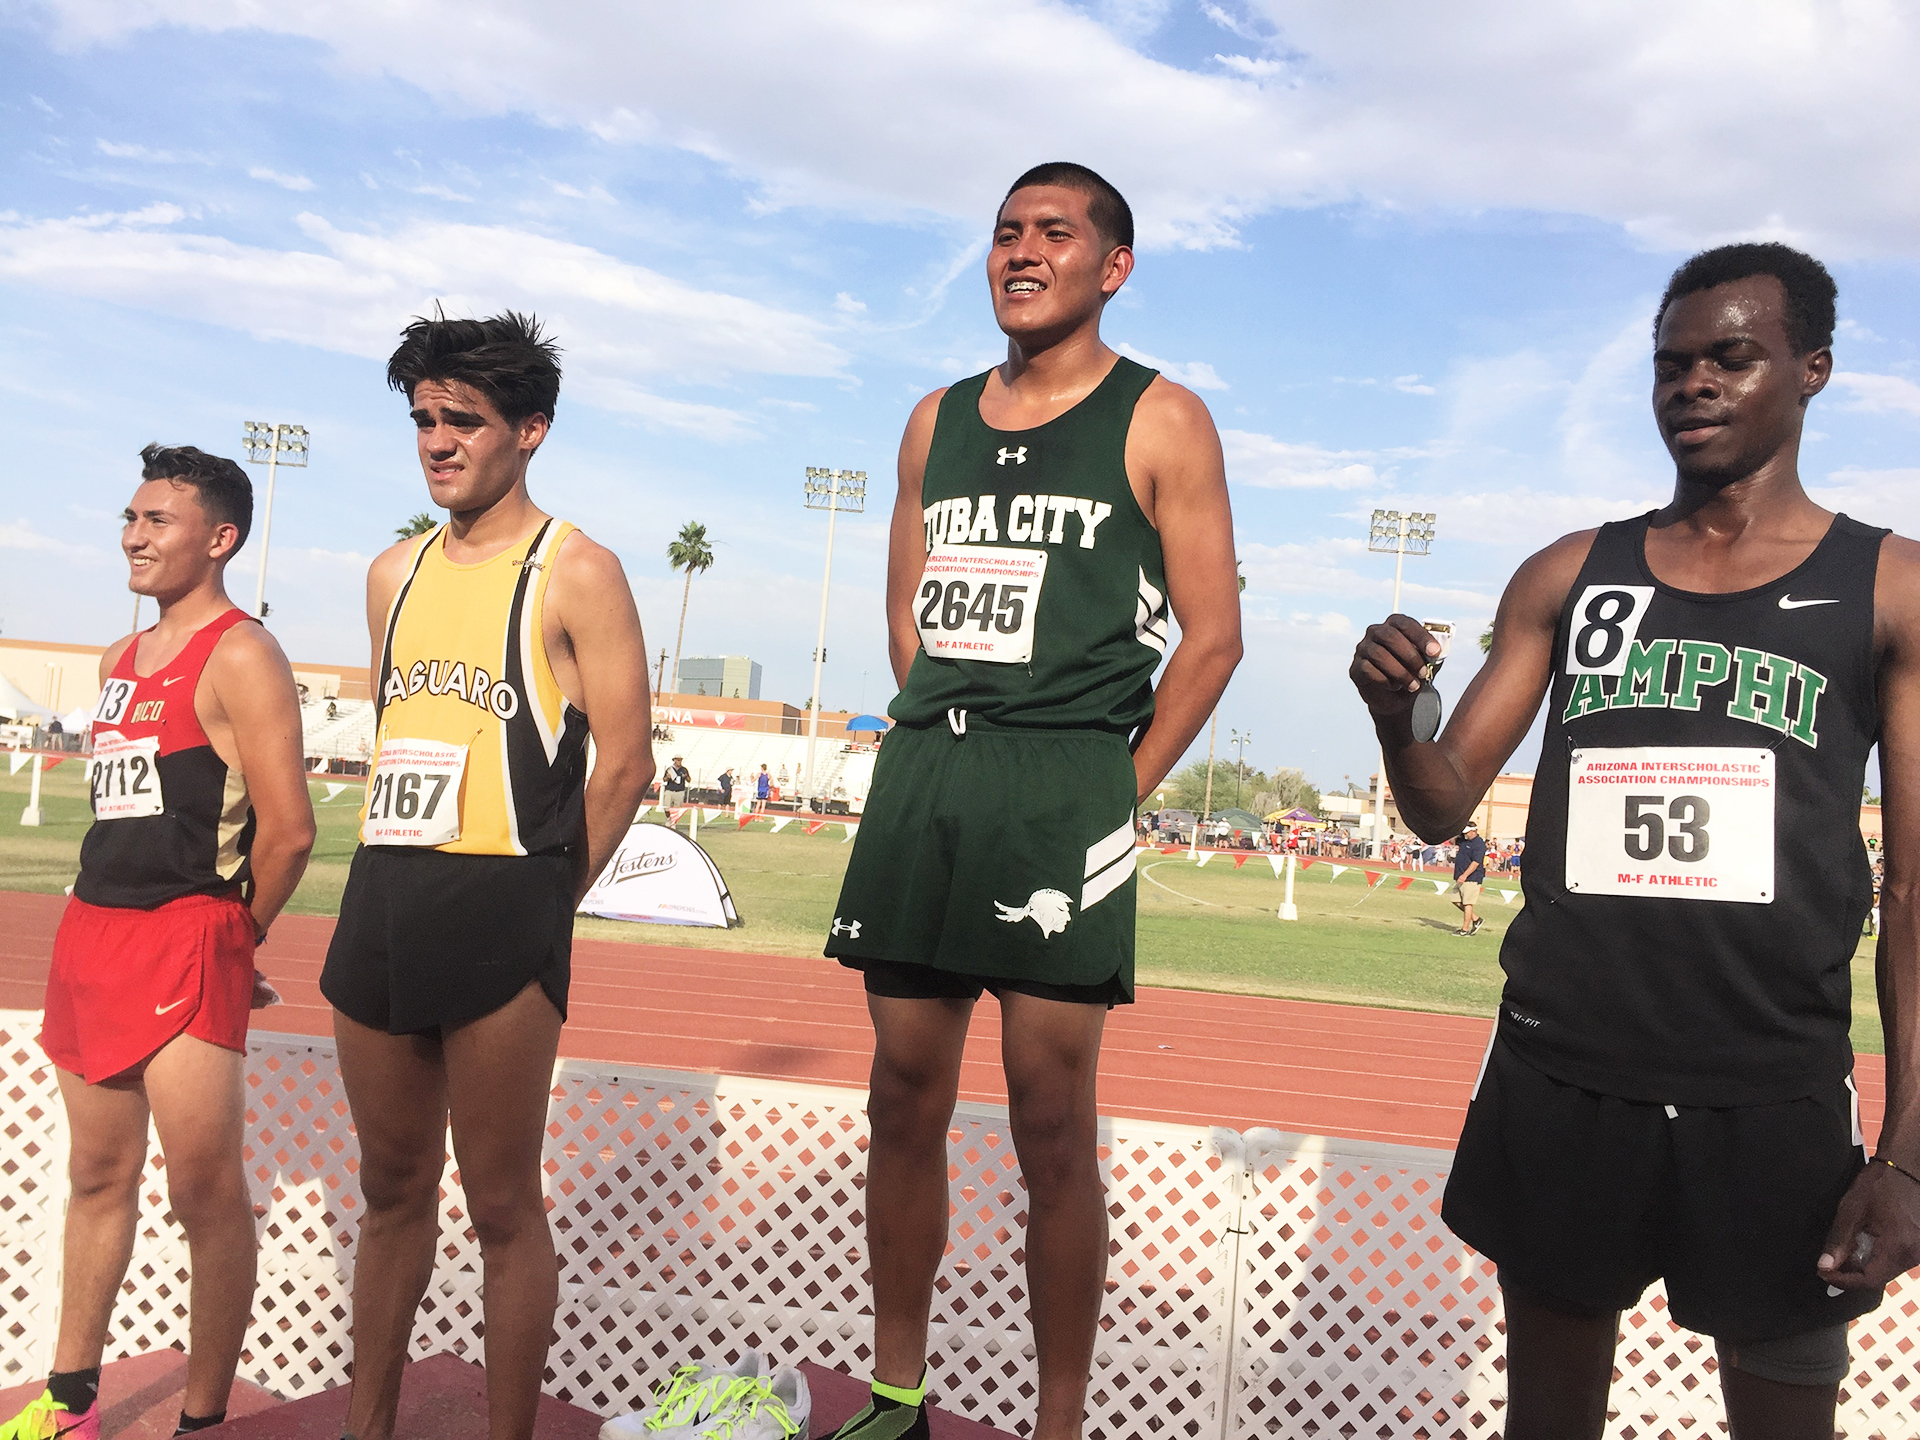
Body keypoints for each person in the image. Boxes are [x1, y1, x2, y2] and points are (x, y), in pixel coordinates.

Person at [1349, 242, 1920, 1439]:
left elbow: (1913, 892)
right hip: (1565, 1076)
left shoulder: (1891, 589)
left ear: (1812, 370)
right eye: (1670, 363)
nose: (1692, 383)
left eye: (1730, 357)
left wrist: (1908, 1158)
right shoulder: (1570, 573)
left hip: (1771, 1097)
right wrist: (1401, 719)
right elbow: (1444, 803)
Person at [823, 162, 1241, 1440]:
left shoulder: (1162, 418)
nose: (1021, 251)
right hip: (929, 770)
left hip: (1067, 774)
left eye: (1054, 234)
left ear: (1112, 267)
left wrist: (1105, 788)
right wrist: (949, 726)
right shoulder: (931, 418)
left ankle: (1058, 1420)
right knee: (902, 1089)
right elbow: (907, 617)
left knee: (1051, 1114)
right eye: (1006, 231)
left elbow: (1214, 639)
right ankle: (901, 1393)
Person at [318, 312, 653, 1440]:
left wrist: (548, 901)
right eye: (422, 417)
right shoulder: (391, 573)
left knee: (503, 1205)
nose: (436, 440)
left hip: (506, 899)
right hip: (385, 896)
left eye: (461, 419)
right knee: (389, 1190)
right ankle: (369, 1425)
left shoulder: (579, 570)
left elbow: (628, 761)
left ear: (530, 431)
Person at [6, 445, 314, 1440]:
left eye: (157, 522)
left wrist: (238, 936)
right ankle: (70, 1402)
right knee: (96, 1177)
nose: (134, 537)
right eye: (130, 520)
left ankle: (201, 1419)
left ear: (219, 539)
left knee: (202, 1191)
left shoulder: (241, 652)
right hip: (93, 932)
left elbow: (290, 826)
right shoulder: (114, 660)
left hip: (189, 937)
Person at [1451, 820, 1487, 935]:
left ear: (1474, 831)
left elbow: (1476, 863)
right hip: (1460, 876)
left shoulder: (1479, 844)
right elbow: (1452, 841)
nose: (1466, 834)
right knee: (1455, 900)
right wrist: (1457, 831)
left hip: (1472, 877)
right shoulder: (1463, 840)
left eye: (1467, 832)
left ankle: (1464, 930)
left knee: (1468, 903)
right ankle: (1476, 919)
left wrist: (1464, 875)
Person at [661, 754, 691, 819]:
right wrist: (667, 777)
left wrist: (685, 777)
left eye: (680, 760)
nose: (679, 761)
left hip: (679, 791)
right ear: (674, 760)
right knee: (666, 807)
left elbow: (689, 780)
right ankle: (668, 819)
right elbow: (664, 779)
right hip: (670, 790)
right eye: (678, 760)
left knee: (677, 809)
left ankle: (674, 822)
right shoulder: (670, 769)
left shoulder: (684, 770)